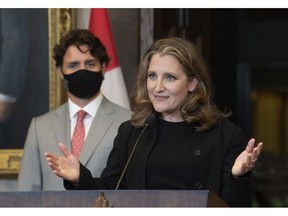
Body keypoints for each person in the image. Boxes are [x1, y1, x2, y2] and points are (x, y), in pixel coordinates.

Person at [45, 37, 263, 206]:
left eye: (170, 77)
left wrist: (238, 176)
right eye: (152, 76)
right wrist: (79, 178)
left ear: (192, 83)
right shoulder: (132, 131)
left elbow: (235, 207)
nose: (157, 87)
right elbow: (110, 192)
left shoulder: (226, 135)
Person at [17, 29, 131, 191]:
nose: (82, 71)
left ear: (104, 67)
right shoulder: (40, 126)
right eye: (73, 65)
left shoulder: (130, 122)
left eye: (90, 64)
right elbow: (27, 193)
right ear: (61, 72)